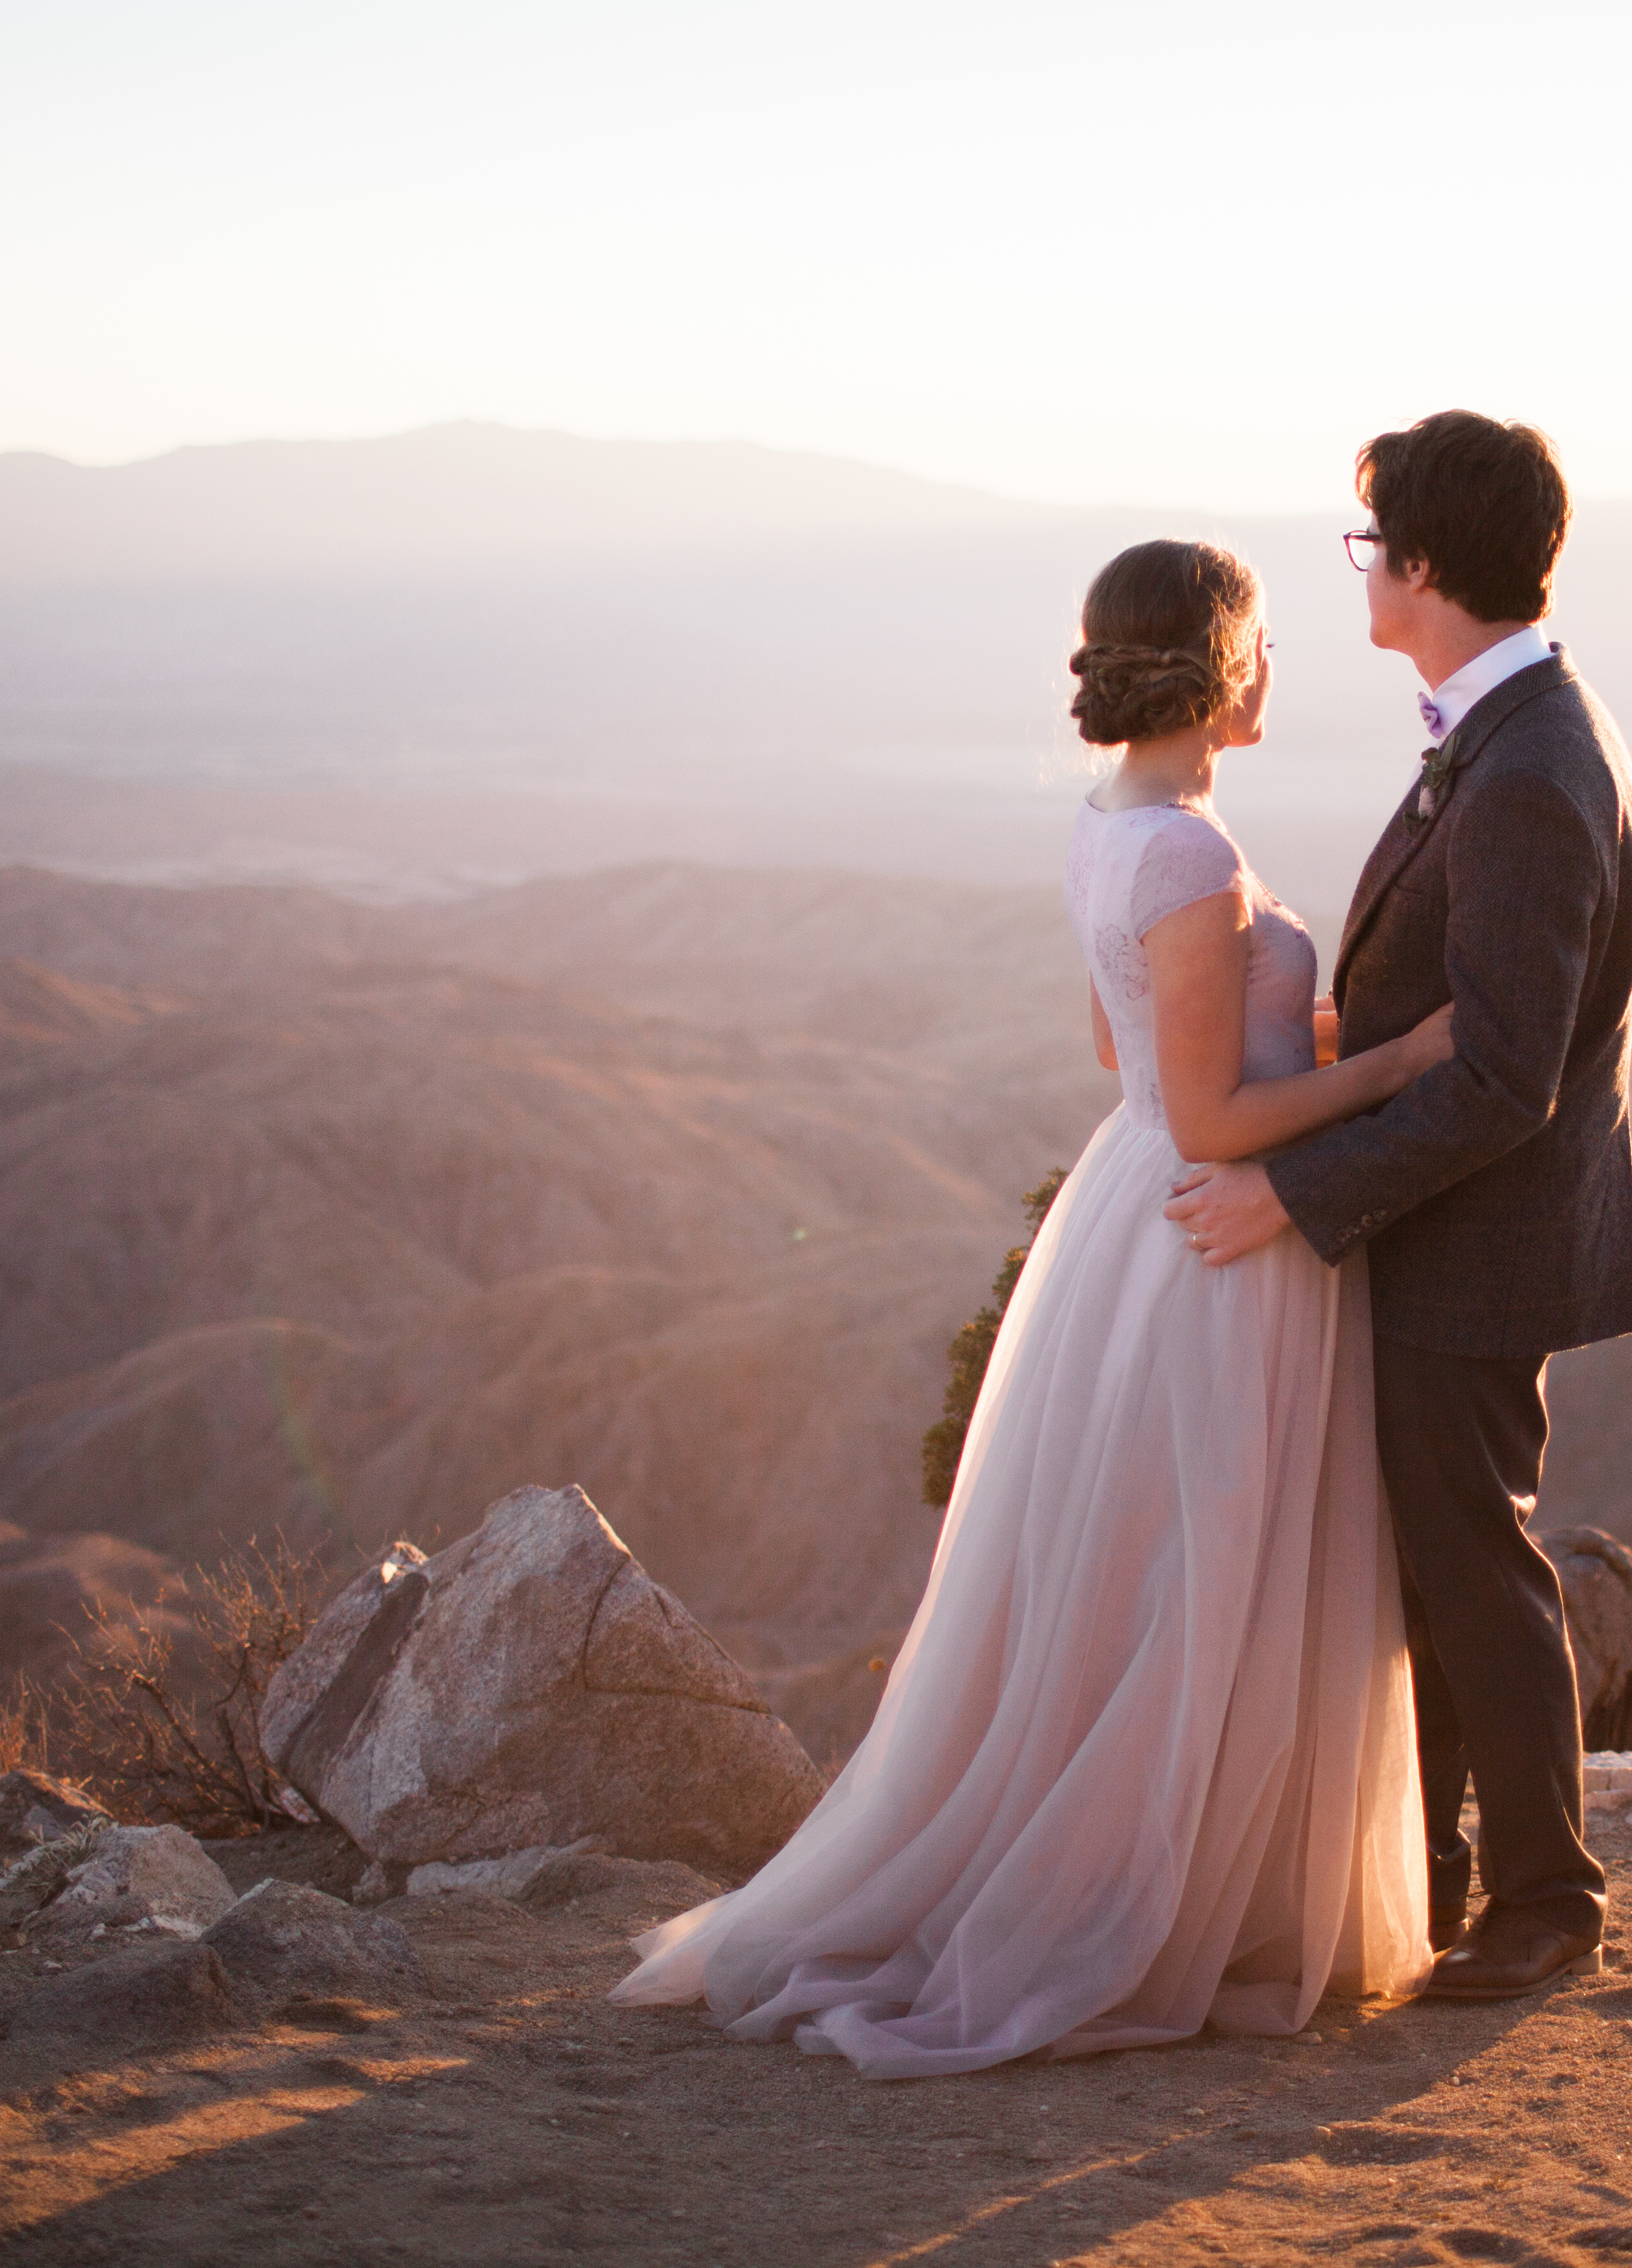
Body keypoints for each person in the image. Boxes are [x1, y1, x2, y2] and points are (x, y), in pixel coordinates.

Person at [611, 538, 1441, 2074]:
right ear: (1211, 664)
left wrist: (1299, 1028)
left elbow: (1126, 1043)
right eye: (1260, 642)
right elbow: (1204, 1118)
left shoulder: (1124, 822)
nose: (1275, 669)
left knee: (1154, 1570)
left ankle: (1192, 1886)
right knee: (1200, 1569)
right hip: (1209, 1234)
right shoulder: (1189, 853)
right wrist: (1398, 1066)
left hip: (1135, 1216)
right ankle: (1165, 1907)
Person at [1163, 410, 1632, 2003]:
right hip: (1447, 1230)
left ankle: (1544, 1902)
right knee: (1431, 1565)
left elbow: (1506, 1075)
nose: (1366, 572)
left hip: (1476, 1243)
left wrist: (1297, 1192)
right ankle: (1436, 1880)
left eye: (1375, 545)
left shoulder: (1528, 768)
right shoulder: (1507, 732)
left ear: (1428, 564)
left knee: (1471, 1561)